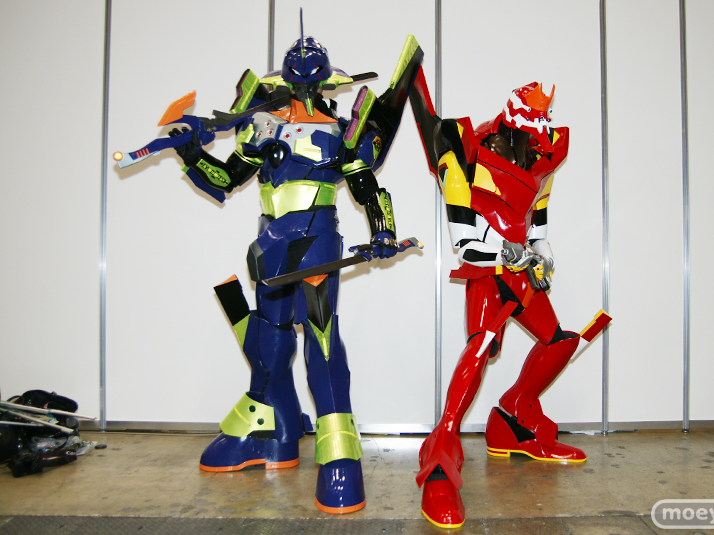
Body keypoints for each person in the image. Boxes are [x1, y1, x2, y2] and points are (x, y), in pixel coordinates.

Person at [166, 33, 423, 514]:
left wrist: (385, 230)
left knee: (321, 337)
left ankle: (339, 451)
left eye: (310, 79)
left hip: (317, 240)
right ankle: (274, 429)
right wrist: (190, 152)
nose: (303, 88)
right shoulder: (262, 127)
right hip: (270, 242)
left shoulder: (341, 131)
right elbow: (227, 178)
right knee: (270, 336)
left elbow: (367, 186)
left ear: (325, 81)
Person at [409, 78, 592, 528]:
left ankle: (513, 421)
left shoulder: (541, 162)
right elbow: (466, 246)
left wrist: (543, 258)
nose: (539, 131)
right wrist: (505, 256)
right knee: (480, 346)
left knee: (559, 342)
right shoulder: (464, 154)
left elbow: (538, 229)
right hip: (488, 273)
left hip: (520, 272)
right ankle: (441, 451)